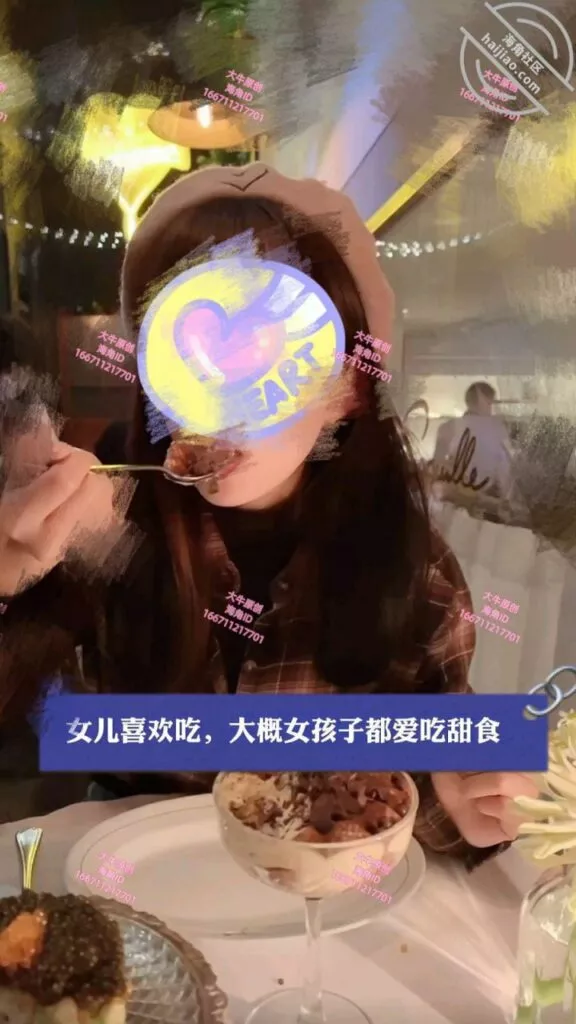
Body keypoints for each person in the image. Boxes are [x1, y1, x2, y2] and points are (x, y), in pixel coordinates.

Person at [0, 163, 536, 862]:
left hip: (314, 898)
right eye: (190, 361)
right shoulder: (96, 532)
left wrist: (475, 808)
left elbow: (438, 794)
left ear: (347, 392)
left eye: (273, 362)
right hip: (132, 884)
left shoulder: (416, 574)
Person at [431, 381, 514, 502]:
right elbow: (505, 473)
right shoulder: (498, 429)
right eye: (490, 403)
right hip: (486, 503)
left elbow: (436, 468)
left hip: (454, 501)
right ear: (484, 401)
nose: (492, 408)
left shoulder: (447, 428)